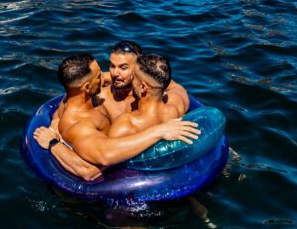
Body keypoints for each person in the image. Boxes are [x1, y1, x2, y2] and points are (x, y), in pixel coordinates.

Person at [32, 55, 200, 173]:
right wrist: (54, 143)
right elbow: (92, 170)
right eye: (100, 76)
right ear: (87, 87)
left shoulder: (106, 111)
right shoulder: (80, 124)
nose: (109, 76)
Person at [109, 54, 181, 138]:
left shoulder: (126, 125)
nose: (131, 78)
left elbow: (107, 150)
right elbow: (179, 90)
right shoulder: (173, 112)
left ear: (143, 87)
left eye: (133, 75)